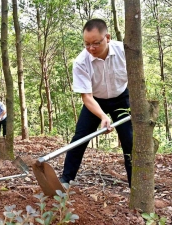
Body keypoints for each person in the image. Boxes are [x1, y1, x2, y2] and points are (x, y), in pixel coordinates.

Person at [60, 19, 133, 187]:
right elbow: (86, 97)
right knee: (80, 137)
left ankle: (135, 185)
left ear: (107, 37)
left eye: (95, 43)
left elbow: (136, 80)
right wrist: (102, 116)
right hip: (95, 100)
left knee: (130, 140)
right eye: (87, 44)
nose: (91, 48)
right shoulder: (81, 62)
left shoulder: (125, 51)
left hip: (121, 97)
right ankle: (66, 179)